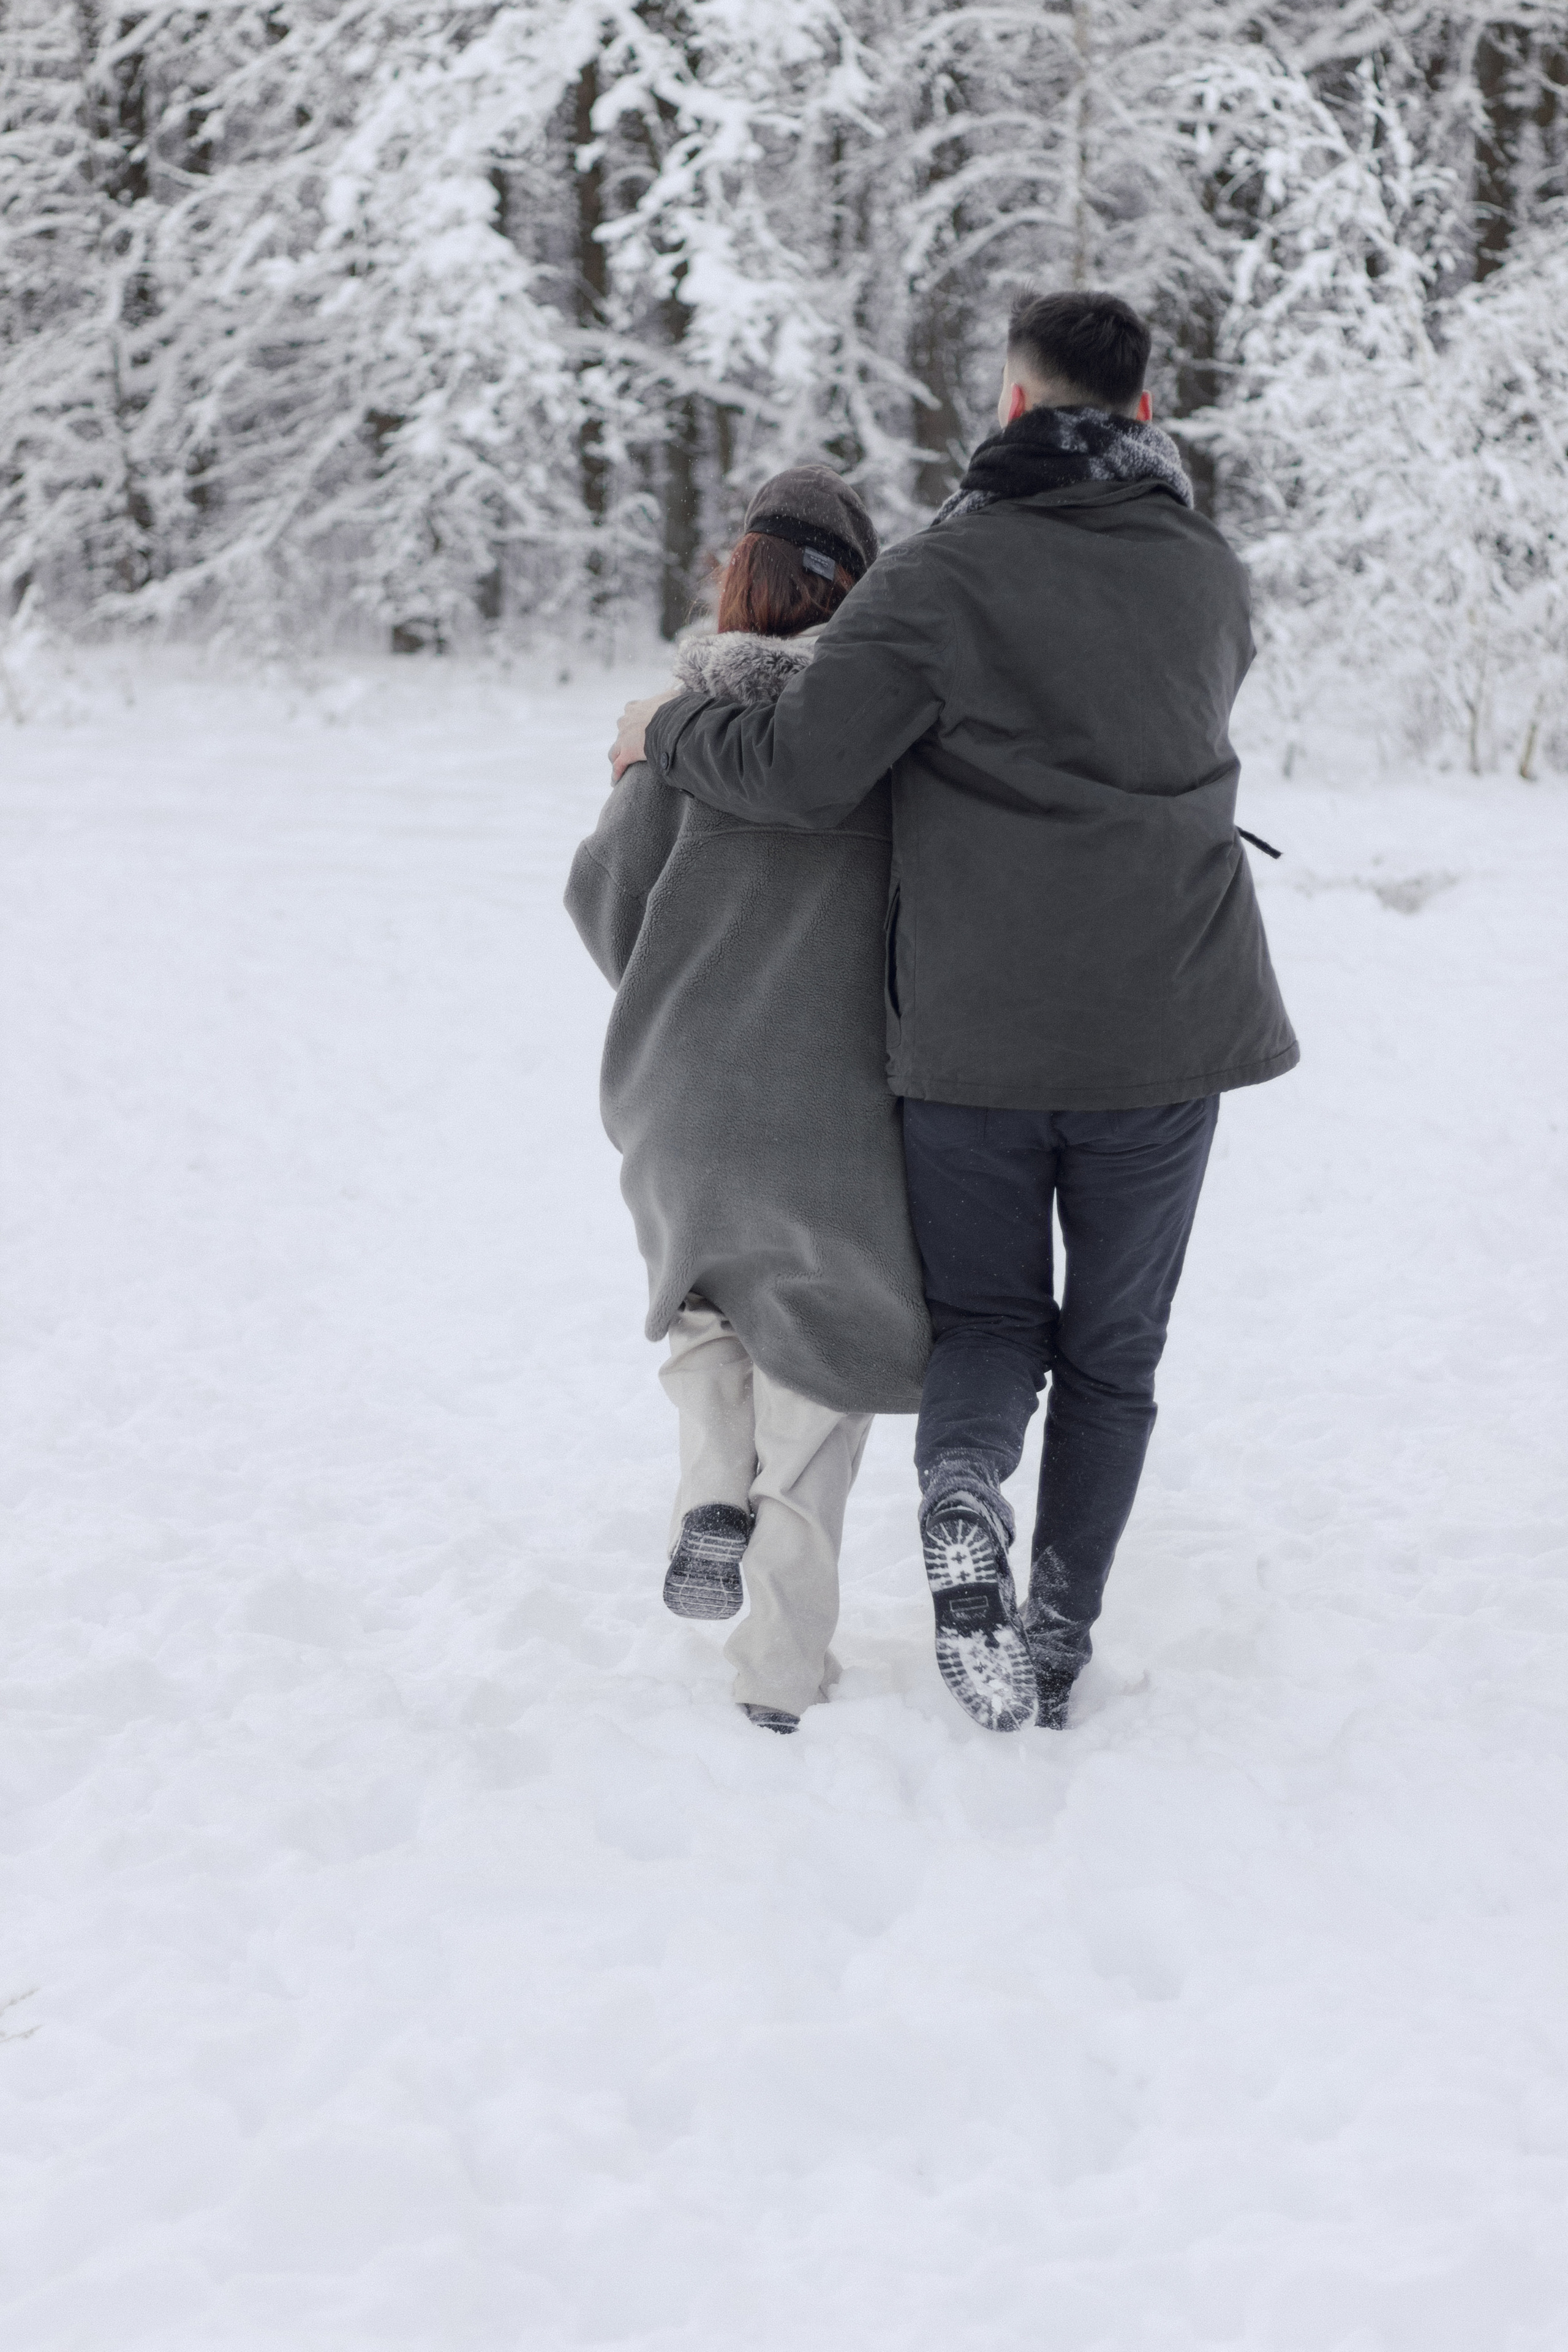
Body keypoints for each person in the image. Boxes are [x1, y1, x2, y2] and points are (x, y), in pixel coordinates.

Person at [609, 289, 1299, 1735]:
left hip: (976, 1035)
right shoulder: (1210, 578)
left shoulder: (936, 578)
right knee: (1113, 1353)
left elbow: (803, 771)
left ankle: (962, 1491)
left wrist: (669, 729)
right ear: (1144, 414)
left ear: (1007, 401)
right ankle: (1047, 1640)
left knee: (987, 1313)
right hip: (1166, 1022)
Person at [565, 467, 930, 1735]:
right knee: (822, 1372)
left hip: (677, 1096)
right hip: (831, 1114)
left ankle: (711, 1484)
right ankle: (779, 1671)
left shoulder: (679, 732)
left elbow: (600, 899)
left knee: (711, 1300)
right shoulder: (889, 750)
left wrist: (678, 994)